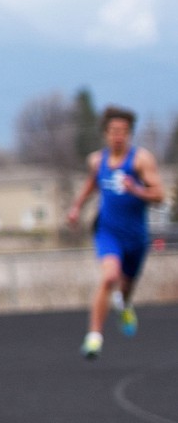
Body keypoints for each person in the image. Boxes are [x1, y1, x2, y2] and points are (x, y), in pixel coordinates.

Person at [66, 105, 162, 360]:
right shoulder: (98, 161)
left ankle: (125, 304)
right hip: (108, 233)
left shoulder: (141, 160)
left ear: (129, 134)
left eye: (123, 131)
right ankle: (94, 338)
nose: (118, 136)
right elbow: (90, 186)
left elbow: (159, 195)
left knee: (126, 287)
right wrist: (75, 208)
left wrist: (136, 190)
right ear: (106, 134)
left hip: (136, 237)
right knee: (109, 278)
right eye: (113, 131)